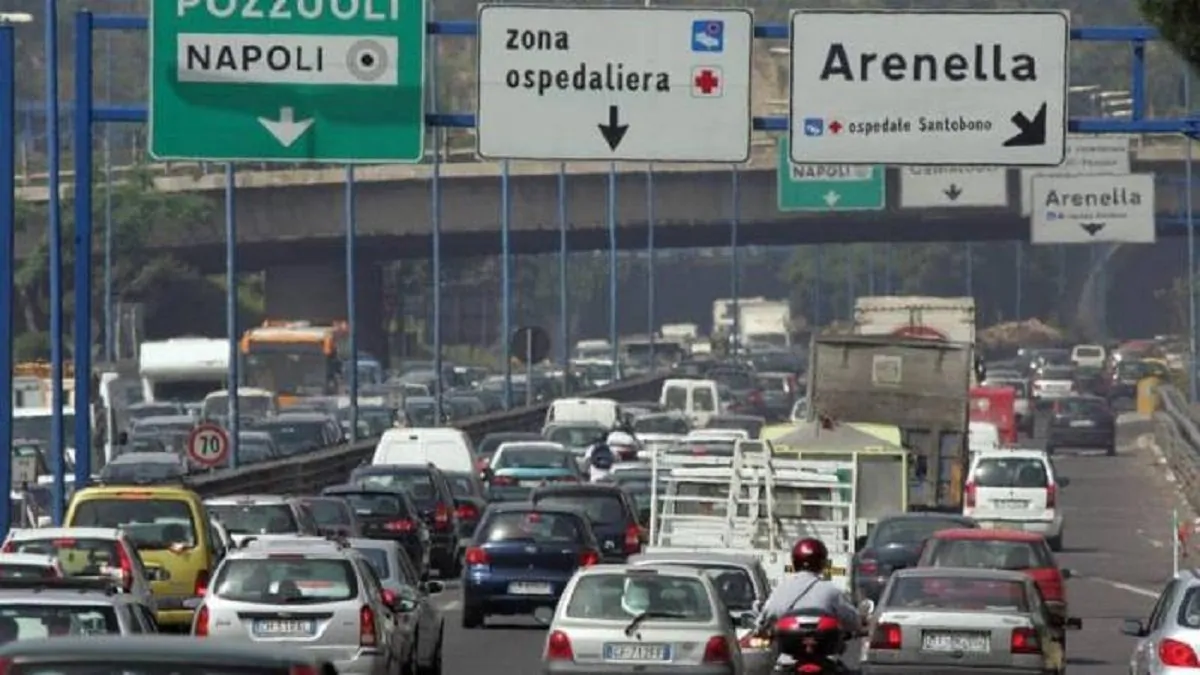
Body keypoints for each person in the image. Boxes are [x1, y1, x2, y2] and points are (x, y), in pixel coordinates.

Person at [757, 538, 860, 634]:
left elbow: (764, 619)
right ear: (823, 563)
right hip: (822, 649)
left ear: (794, 561)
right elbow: (852, 621)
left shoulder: (781, 590)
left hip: (789, 650)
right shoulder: (831, 591)